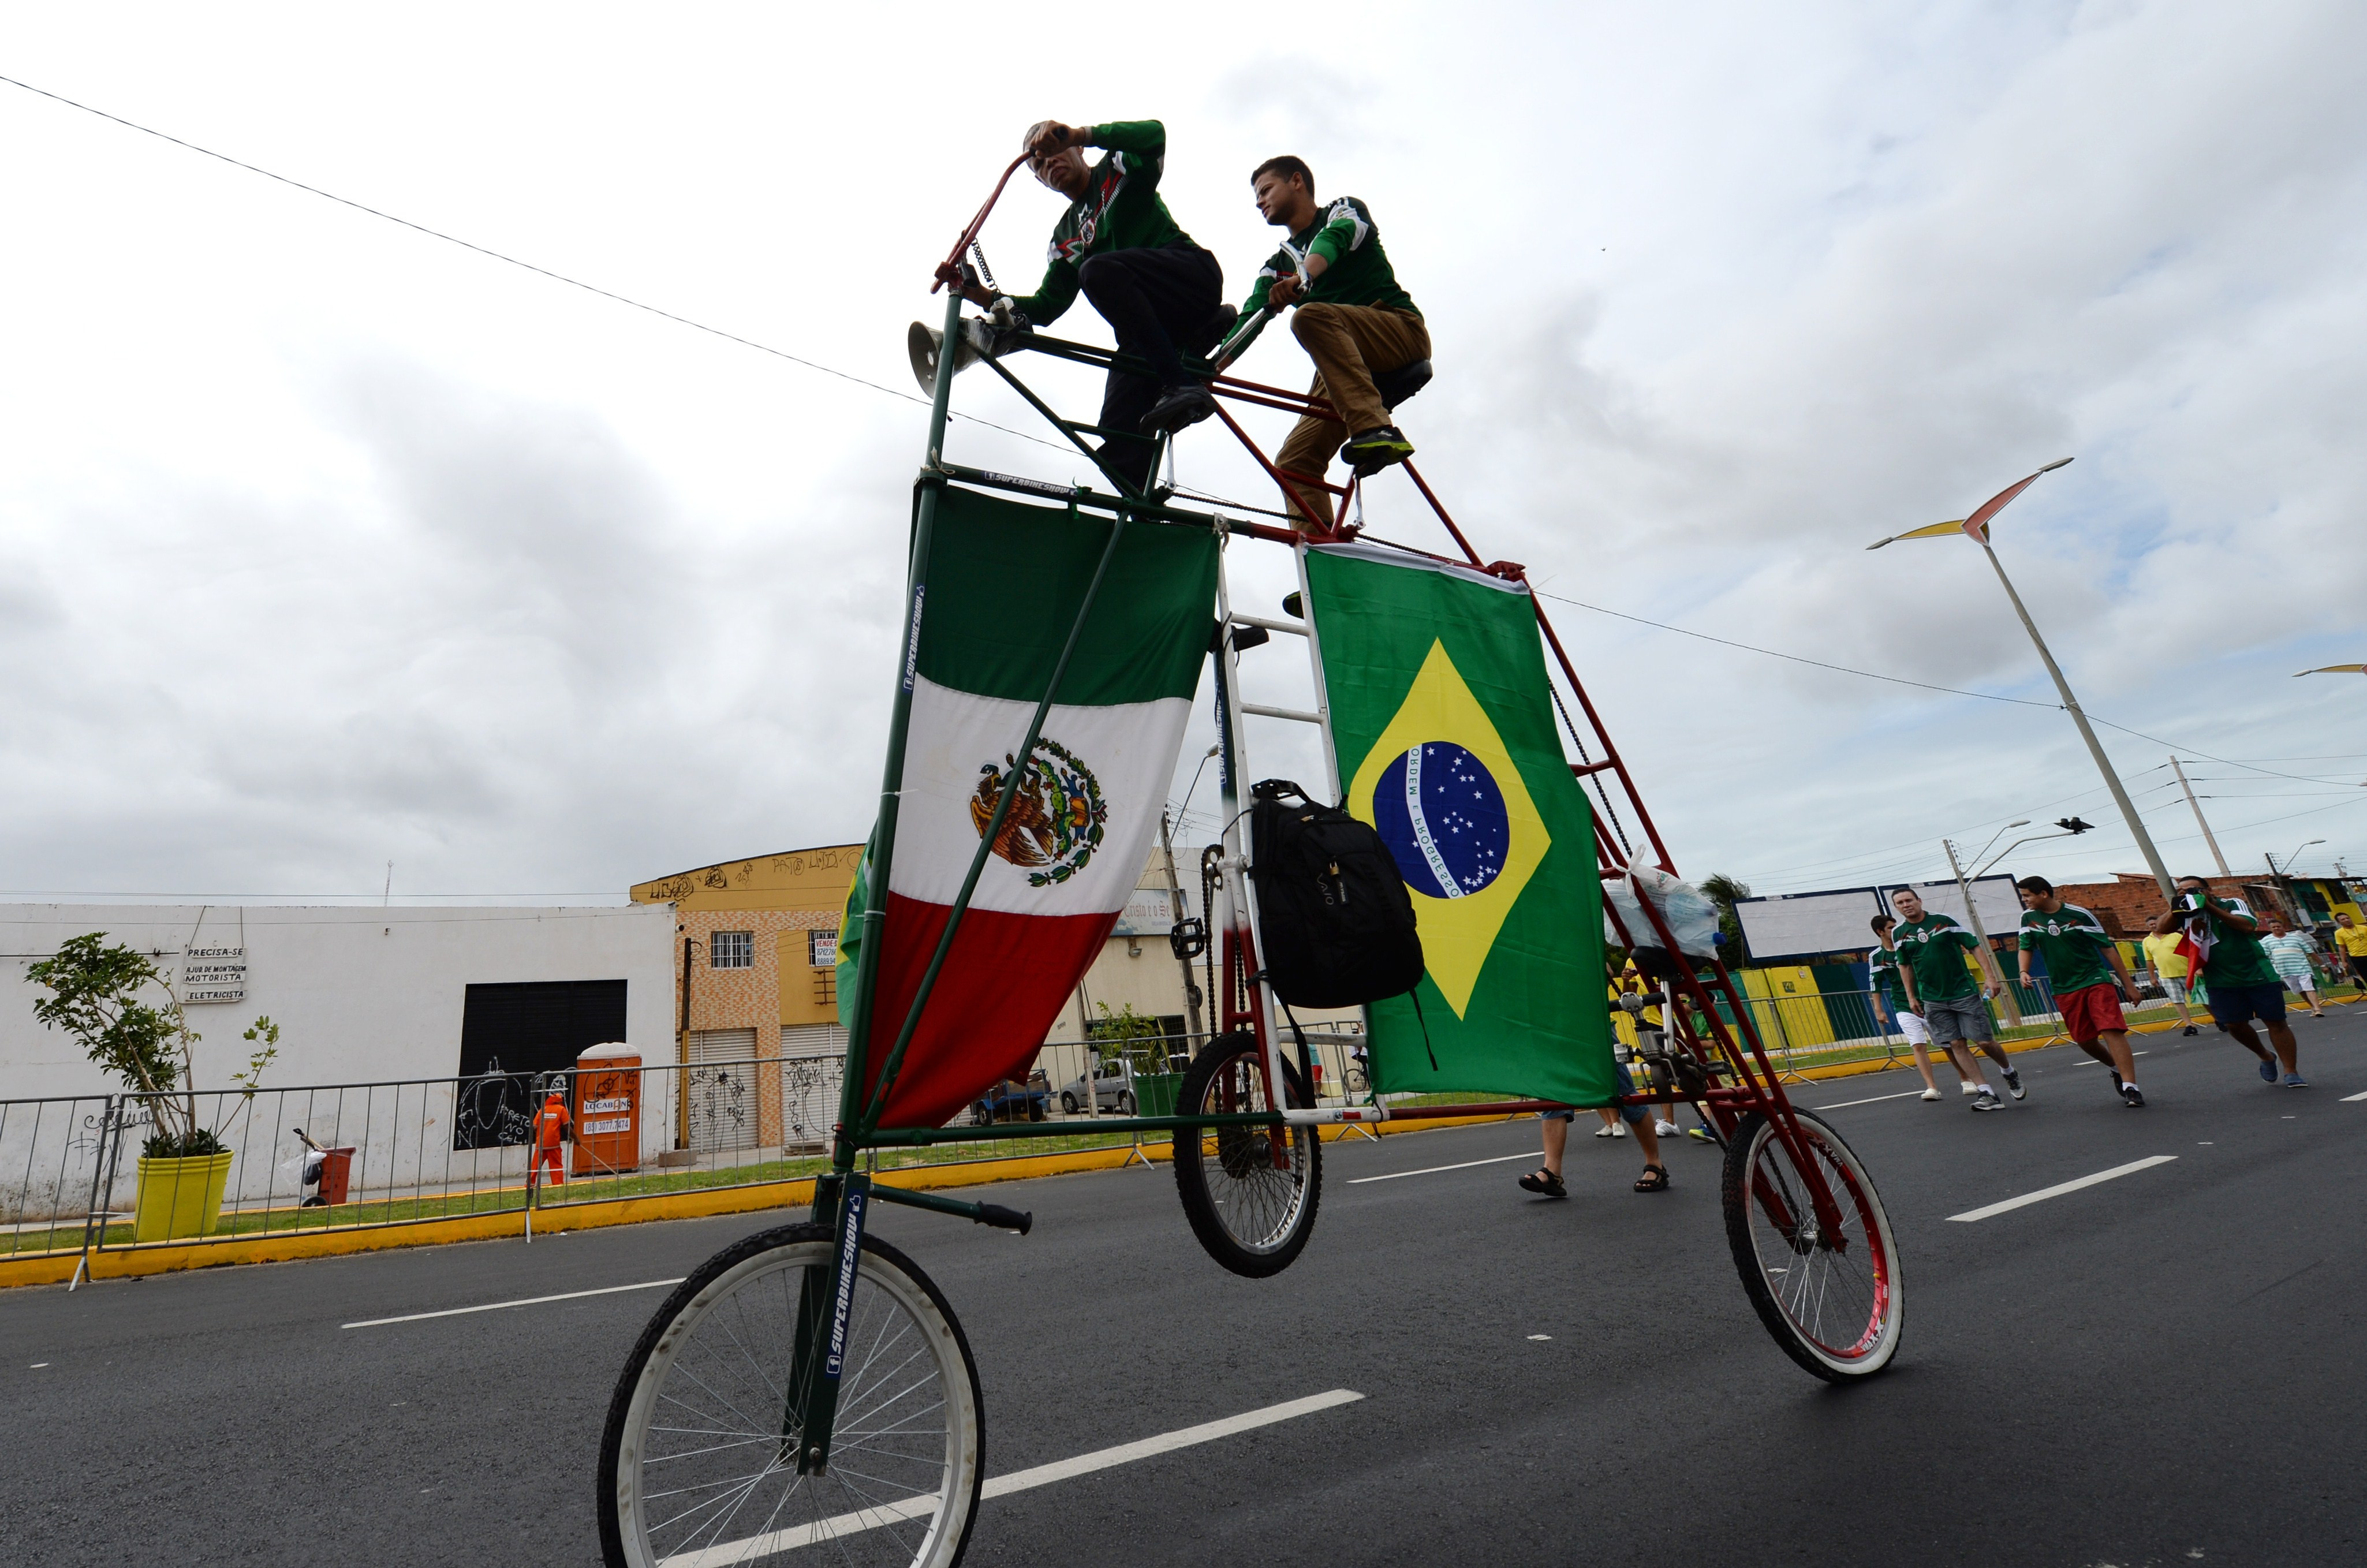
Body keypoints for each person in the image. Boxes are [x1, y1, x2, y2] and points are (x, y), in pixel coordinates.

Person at [961, 119, 1227, 494]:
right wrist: (981, 296)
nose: (1049, 163)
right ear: (1040, 181)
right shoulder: (1065, 236)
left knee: (1097, 271)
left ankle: (1180, 383)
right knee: (1116, 430)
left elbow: (1154, 136)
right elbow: (1047, 306)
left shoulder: (1117, 168)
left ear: (1076, 149)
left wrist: (1082, 133)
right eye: (1039, 164)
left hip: (1190, 277)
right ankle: (1142, 511)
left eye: (1055, 150)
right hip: (1152, 329)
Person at [1231, 155, 1428, 531]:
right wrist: (1204, 370)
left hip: (1396, 330)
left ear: (1297, 181)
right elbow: (1249, 320)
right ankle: (1321, 554)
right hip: (1341, 362)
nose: (1259, 202)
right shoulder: (1277, 265)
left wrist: (1305, 277)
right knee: (1294, 461)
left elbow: (1336, 238)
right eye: (1256, 197)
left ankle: (1375, 430)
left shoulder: (1343, 211)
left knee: (1309, 316)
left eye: (1266, 190)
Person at [2151, 876, 2305, 1087]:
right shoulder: (2185, 912)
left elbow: (2248, 926)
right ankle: (2266, 1056)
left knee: (2275, 1022)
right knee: (2234, 1024)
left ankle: (2291, 1071)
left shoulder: (2232, 904)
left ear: (2209, 890)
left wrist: (2209, 907)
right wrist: (2176, 905)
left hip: (2256, 973)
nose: (2190, 894)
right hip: (2219, 979)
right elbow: (2162, 927)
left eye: (2194, 889)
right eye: (2183, 890)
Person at [2014, 877, 2146, 1107]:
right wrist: (2023, 971)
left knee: (2111, 1028)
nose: (2024, 900)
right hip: (2064, 986)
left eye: (2027, 895)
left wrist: (2130, 985)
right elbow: (2026, 947)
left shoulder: (2080, 914)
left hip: (2095, 979)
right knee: (2084, 1040)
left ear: (2043, 894)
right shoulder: (2028, 918)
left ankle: (2131, 1087)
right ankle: (2115, 1068)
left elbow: (2107, 949)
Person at [1886, 886, 2021, 1111]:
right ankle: (1986, 1092)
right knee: (1956, 1043)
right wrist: (1911, 997)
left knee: (1984, 1041)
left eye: (1909, 900)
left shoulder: (1944, 921)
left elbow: (1974, 946)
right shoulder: (1899, 933)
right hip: (1932, 998)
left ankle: (2008, 1071)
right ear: (1896, 908)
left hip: (1963, 992)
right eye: (1900, 903)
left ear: (1919, 900)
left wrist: (1990, 977)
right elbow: (1905, 966)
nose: (1906, 905)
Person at [1870, 915, 1949, 1100]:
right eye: (1890, 928)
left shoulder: (1909, 946)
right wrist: (1878, 1009)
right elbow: (1876, 983)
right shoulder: (1877, 956)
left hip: (1929, 1000)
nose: (1895, 930)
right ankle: (1931, 1087)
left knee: (1949, 1044)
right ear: (1880, 932)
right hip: (1903, 1005)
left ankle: (1965, 1078)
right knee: (1918, 1044)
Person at [2138, 921, 2203, 1035]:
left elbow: (2190, 951)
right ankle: (2189, 1025)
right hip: (2167, 976)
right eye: (2151, 925)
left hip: (2187, 973)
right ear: (2147, 927)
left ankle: (2218, 1019)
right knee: (2177, 1001)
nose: (2154, 926)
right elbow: (2149, 960)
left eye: (2155, 923)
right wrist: (2152, 977)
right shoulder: (2147, 941)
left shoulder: (2175, 935)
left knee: (2201, 997)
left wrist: (2197, 968)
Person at [2261, 916, 2327, 1019]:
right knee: (2300, 990)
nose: (2276, 928)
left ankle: (2318, 1009)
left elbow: (2310, 952)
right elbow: (2266, 957)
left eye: (2278, 926)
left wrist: (2322, 965)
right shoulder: (2266, 941)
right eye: (2274, 927)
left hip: (2303, 967)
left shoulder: (2296, 938)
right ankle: (2313, 1007)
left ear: (2283, 927)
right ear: (2270, 929)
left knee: (2309, 988)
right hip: (2285, 970)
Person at [531, 1089, 571, 1188]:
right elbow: (566, 1126)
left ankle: (530, 1183)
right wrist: (576, 1139)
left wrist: (541, 1134)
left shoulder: (543, 1110)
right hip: (554, 1144)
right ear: (560, 1102)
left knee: (535, 1165)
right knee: (556, 1166)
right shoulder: (561, 1110)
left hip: (541, 1143)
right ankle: (558, 1184)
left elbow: (535, 1126)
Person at [2332, 910, 2367, 990]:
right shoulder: (2339, 933)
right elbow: (2342, 947)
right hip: (2357, 957)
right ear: (2339, 922)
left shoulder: (2364, 928)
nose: (2347, 920)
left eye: (2348, 918)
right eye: (2343, 919)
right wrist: (2344, 961)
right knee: (2365, 975)